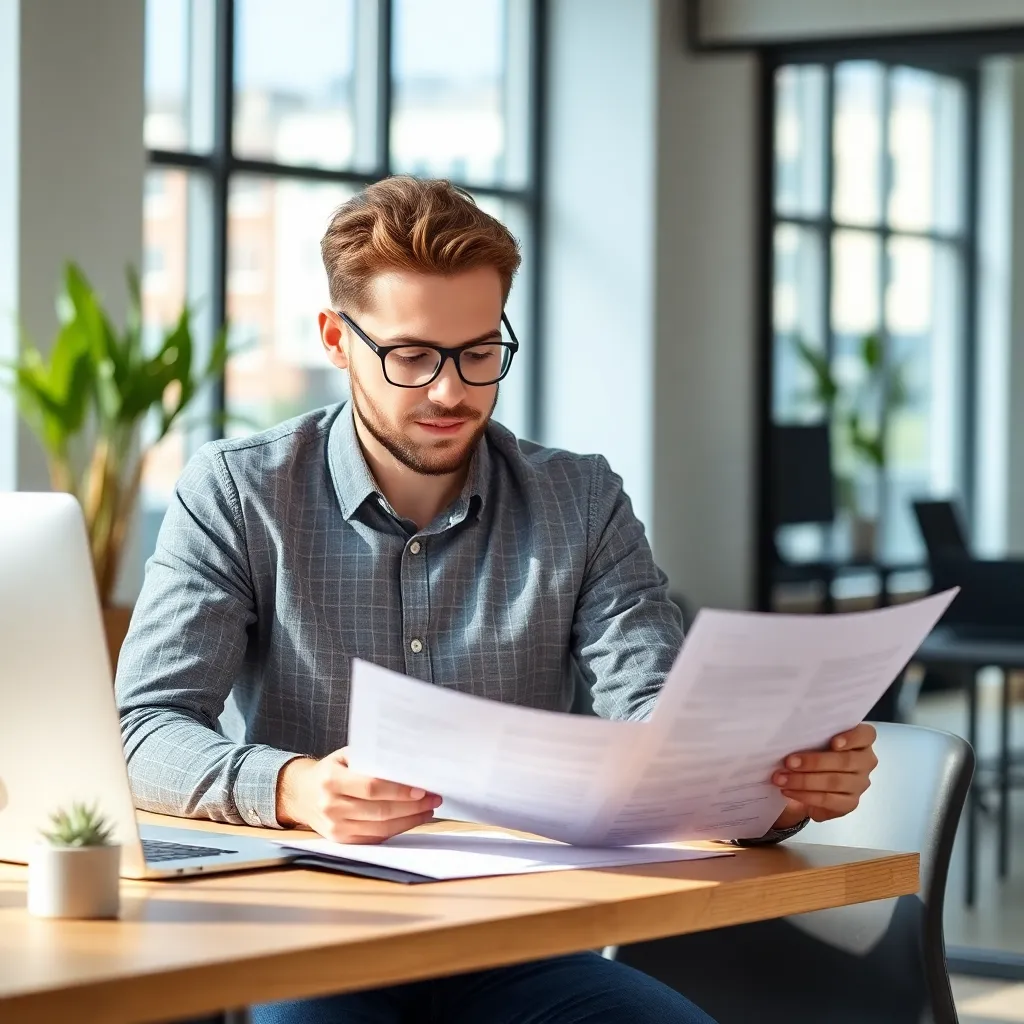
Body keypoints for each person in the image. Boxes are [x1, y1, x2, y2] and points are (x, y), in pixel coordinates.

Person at [115, 176, 878, 1024]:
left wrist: (776, 792)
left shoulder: (582, 501)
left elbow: (659, 731)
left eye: (479, 353)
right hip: (316, 941)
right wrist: (293, 786)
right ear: (336, 339)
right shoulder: (238, 493)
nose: (451, 391)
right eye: (411, 356)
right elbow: (142, 728)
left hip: (523, 944)